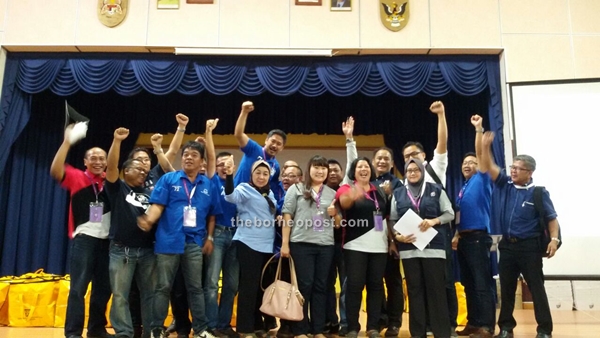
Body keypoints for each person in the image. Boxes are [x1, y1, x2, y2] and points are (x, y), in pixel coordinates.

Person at [138, 121, 222, 338]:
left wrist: (210, 237)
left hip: (194, 242)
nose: (188, 157)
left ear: (202, 161)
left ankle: (201, 329)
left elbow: (213, 214)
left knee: (196, 288)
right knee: (162, 287)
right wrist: (149, 219)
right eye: (186, 154)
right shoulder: (169, 178)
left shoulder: (208, 185)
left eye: (194, 154)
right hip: (168, 241)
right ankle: (156, 329)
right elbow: (158, 205)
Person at [479, 132, 559, 338]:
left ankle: (544, 330)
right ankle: (506, 328)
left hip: (529, 247)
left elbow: (551, 218)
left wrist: (554, 239)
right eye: (512, 167)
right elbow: (488, 166)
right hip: (507, 246)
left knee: (536, 289)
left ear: (529, 172)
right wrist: (486, 147)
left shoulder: (538, 193)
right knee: (505, 291)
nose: (513, 171)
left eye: (518, 168)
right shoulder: (505, 185)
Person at [50, 125, 113, 338]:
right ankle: (73, 332)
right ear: (85, 161)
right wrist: (67, 141)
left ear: (107, 161)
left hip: (108, 242)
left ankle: (96, 330)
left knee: (103, 290)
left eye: (101, 158)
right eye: (92, 158)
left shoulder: (111, 182)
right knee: (78, 288)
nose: (97, 161)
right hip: (85, 240)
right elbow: (55, 170)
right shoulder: (77, 177)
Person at [402, 101, 457, 336]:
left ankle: (448, 327)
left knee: (443, 284)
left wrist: (441, 115)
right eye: (406, 157)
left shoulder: (435, 168)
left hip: (437, 237)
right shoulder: (404, 182)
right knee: (417, 287)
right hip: (413, 241)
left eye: (414, 154)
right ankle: (422, 327)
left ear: (423, 155)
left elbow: (442, 143)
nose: (410, 159)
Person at [390, 158, 455, 338]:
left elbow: (449, 213)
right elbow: (392, 219)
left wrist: (434, 221)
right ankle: (418, 333)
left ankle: (441, 332)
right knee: (414, 290)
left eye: (416, 170)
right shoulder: (398, 193)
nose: (412, 173)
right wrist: (397, 236)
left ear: (422, 172)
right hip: (409, 249)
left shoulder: (436, 190)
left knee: (436, 290)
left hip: (434, 248)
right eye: (409, 170)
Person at [281, 155, 340, 338]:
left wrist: (335, 214)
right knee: (304, 287)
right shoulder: (296, 188)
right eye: (316, 167)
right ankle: (300, 329)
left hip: (325, 246)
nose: (320, 171)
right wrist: (285, 243)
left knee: (321, 286)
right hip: (301, 244)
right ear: (309, 169)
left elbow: (338, 224)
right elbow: (287, 216)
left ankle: (317, 329)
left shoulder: (331, 193)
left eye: (323, 168)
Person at [105, 127, 156, 338]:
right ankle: (124, 333)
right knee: (120, 296)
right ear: (127, 171)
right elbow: (111, 167)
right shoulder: (119, 189)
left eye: (145, 171)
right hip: (121, 251)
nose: (144, 172)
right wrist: (117, 141)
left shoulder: (151, 192)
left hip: (147, 252)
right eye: (138, 169)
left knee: (149, 295)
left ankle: (150, 332)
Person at [335, 157, 391, 338]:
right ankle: (352, 327)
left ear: (371, 170)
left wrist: (392, 241)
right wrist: (353, 195)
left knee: (376, 287)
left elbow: (387, 218)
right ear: (354, 171)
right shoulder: (347, 188)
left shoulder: (379, 192)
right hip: (355, 245)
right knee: (354, 286)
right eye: (359, 166)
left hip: (379, 247)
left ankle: (373, 327)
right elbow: (343, 204)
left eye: (366, 166)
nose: (363, 169)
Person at [452, 116, 495, 338]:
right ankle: (473, 322)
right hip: (465, 239)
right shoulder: (464, 187)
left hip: (478, 238)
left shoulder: (483, 178)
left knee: (481, 284)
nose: (468, 165)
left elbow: (481, 156)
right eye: (464, 163)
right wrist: (457, 234)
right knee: (468, 284)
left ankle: (486, 326)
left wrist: (478, 130)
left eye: (472, 162)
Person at [224, 160, 277, 338]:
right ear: (251, 175)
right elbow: (230, 196)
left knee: (260, 288)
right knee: (248, 287)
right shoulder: (245, 188)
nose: (261, 177)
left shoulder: (269, 193)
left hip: (266, 246)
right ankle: (245, 329)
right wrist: (230, 175)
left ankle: (256, 325)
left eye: (265, 174)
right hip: (248, 243)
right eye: (258, 173)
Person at [204, 152, 239, 338]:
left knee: (232, 285)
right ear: (215, 167)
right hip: (216, 233)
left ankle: (224, 324)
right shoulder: (211, 181)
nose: (224, 167)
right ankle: (211, 324)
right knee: (211, 283)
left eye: (228, 164)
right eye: (220, 164)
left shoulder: (238, 183)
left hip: (236, 235)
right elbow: (209, 156)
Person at [233, 101, 286, 202]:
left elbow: (271, 189)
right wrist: (244, 112)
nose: (274, 145)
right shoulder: (254, 149)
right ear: (266, 140)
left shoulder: (276, 166)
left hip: (253, 204)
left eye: (279, 144)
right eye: (273, 141)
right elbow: (239, 134)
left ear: (282, 148)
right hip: (237, 198)